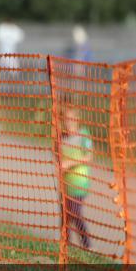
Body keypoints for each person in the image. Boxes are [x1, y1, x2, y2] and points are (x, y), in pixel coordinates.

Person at [59, 107, 93, 250]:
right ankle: (65, 245)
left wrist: (70, 164)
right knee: (65, 215)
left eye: (71, 119)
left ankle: (87, 245)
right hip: (66, 183)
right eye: (66, 119)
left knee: (75, 212)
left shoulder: (83, 135)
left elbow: (89, 157)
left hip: (80, 182)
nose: (69, 122)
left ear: (76, 119)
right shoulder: (61, 137)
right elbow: (57, 154)